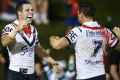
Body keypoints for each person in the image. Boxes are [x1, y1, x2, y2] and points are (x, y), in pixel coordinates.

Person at [49, 2, 120, 80]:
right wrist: (118, 37)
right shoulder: (105, 31)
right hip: (101, 75)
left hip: (85, 76)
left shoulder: (78, 31)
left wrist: (52, 38)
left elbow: (56, 45)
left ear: (81, 14)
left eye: (78, 13)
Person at [1, 1, 60, 80]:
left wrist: (54, 62)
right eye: (27, 10)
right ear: (19, 13)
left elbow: (39, 49)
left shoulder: (33, 29)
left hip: (31, 74)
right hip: (16, 74)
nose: (31, 12)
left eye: (32, 10)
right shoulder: (10, 27)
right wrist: (16, 29)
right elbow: (4, 42)